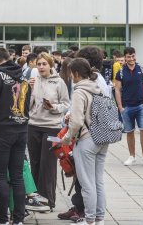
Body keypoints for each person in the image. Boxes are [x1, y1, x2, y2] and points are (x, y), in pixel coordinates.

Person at [0, 48, 31, 225]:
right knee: (17, 176)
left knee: (0, 176)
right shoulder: (24, 77)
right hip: (21, 129)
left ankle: (2, 220)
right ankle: (18, 220)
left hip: (1, 131)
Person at [61, 58, 108, 225]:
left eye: (70, 73)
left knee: (87, 184)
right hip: (102, 138)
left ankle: (89, 220)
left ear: (76, 73)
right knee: (98, 181)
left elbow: (76, 123)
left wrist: (66, 139)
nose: (70, 77)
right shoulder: (98, 87)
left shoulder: (80, 91)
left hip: (87, 140)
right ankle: (99, 218)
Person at [28, 52, 70, 209]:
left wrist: (53, 108)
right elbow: (28, 104)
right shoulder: (33, 80)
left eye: (44, 64)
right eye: (38, 64)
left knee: (48, 164)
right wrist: (29, 89)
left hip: (52, 127)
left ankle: (48, 200)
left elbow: (66, 104)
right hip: (33, 125)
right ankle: (34, 199)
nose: (40, 67)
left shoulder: (59, 82)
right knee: (35, 162)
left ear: (50, 65)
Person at [115, 47, 143, 167]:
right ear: (125, 58)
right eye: (129, 57)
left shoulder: (142, 69)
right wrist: (120, 107)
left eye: (133, 56)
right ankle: (132, 156)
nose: (131, 59)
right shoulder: (120, 71)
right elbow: (117, 89)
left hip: (141, 105)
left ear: (135, 56)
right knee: (130, 132)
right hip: (126, 107)